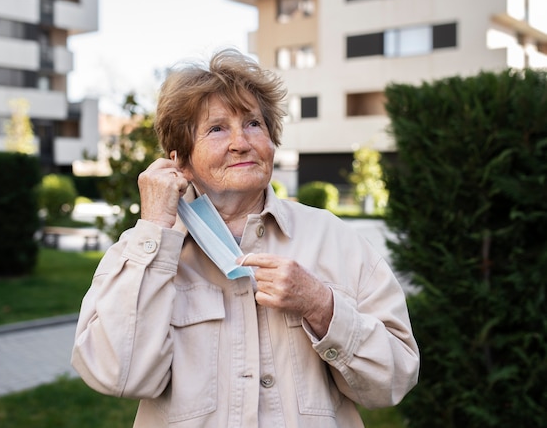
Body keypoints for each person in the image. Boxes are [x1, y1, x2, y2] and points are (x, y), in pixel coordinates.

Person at [71, 48, 419, 428]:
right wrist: (155, 229)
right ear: (180, 161)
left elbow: (393, 382)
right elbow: (117, 374)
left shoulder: (336, 239)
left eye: (253, 124)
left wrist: (321, 305)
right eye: (217, 129)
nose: (241, 142)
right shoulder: (140, 251)